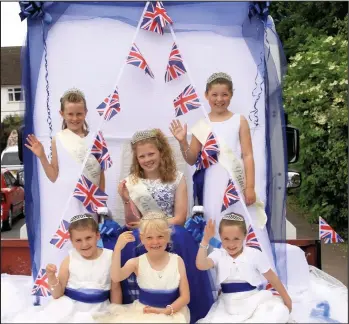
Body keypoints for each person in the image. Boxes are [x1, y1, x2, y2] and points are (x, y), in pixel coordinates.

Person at [112, 128, 214, 322]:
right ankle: (137, 298)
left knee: (180, 236)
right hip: (142, 230)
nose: (147, 159)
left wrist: (154, 225)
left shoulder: (177, 178)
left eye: (151, 153)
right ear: (136, 158)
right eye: (142, 156)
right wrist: (126, 200)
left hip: (170, 227)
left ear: (161, 152)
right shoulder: (132, 182)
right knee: (130, 238)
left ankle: (179, 298)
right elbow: (131, 222)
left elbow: (180, 218)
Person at [170, 72, 267, 239]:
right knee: (214, 218)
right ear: (206, 95)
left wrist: (249, 187)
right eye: (214, 95)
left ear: (231, 95)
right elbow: (192, 158)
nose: (219, 99)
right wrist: (182, 143)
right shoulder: (202, 125)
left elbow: (248, 155)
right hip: (212, 182)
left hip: (236, 179)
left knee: (240, 218)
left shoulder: (239, 120)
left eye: (224, 94)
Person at [12, 214, 122, 323]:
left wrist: (116, 314)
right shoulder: (69, 260)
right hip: (71, 310)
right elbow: (57, 294)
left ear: (97, 236)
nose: (84, 244)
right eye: (78, 240)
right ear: (72, 241)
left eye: (88, 238)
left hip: (100, 311)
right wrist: (51, 278)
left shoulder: (110, 257)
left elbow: (115, 288)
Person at [95, 212, 190, 323]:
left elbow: (185, 297)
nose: (155, 242)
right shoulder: (136, 262)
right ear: (142, 238)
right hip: (144, 312)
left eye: (160, 236)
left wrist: (165, 311)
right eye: (149, 237)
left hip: (172, 313)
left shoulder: (177, 261)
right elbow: (116, 277)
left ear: (168, 236)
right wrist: (117, 249)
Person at [196, 213, 291, 323]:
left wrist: (287, 300)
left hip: (253, 300)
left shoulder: (253, 254)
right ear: (220, 237)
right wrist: (205, 240)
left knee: (277, 311)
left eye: (236, 239)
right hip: (228, 305)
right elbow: (200, 265)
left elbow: (272, 278)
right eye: (226, 239)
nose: (231, 244)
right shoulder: (218, 255)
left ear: (244, 236)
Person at [25, 88, 105, 191]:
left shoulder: (96, 138)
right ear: (62, 114)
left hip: (91, 199)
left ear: (85, 112)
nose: (75, 118)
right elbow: (53, 177)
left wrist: (101, 201)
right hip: (67, 199)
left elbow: (101, 174)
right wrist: (42, 156)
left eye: (79, 114)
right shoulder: (57, 140)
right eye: (70, 114)